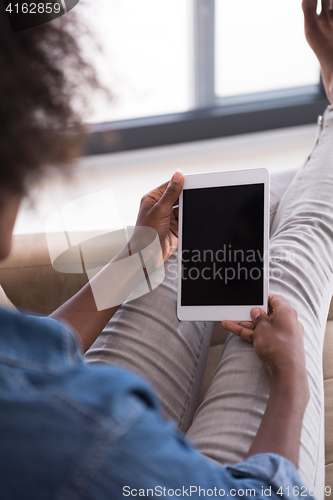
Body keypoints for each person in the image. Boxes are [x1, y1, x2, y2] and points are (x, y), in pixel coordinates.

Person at [0, 0, 332, 498]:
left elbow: (22, 357)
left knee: (204, 229)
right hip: (125, 467)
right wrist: (291, 383)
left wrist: (132, 259)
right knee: (295, 265)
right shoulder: (83, 441)